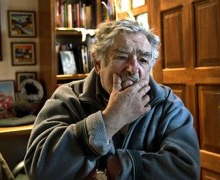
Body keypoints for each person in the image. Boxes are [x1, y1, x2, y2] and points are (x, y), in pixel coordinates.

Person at [24, 19, 200, 179]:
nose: (133, 69)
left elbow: (186, 171)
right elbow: (40, 170)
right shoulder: (68, 98)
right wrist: (109, 120)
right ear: (98, 64)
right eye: (122, 57)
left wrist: (118, 166)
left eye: (143, 60)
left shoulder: (168, 105)